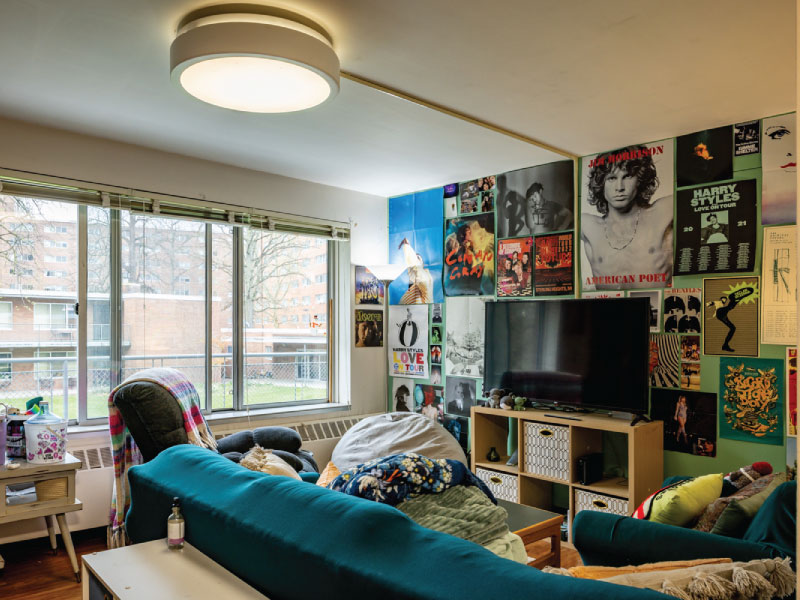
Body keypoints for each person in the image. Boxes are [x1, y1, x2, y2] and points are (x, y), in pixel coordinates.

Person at [581, 145, 673, 290]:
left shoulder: (663, 212)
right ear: (601, 183)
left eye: (627, 176)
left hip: (656, 309)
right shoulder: (588, 226)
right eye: (611, 178)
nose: (619, 187)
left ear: (640, 179)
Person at [706, 288, 751, 352]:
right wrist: (709, 304)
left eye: (725, 299)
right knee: (729, 307)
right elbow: (711, 303)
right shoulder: (718, 302)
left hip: (723, 315)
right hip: (719, 312)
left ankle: (725, 345)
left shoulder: (724, 306)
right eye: (723, 299)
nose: (724, 300)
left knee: (733, 328)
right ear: (720, 299)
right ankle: (734, 298)